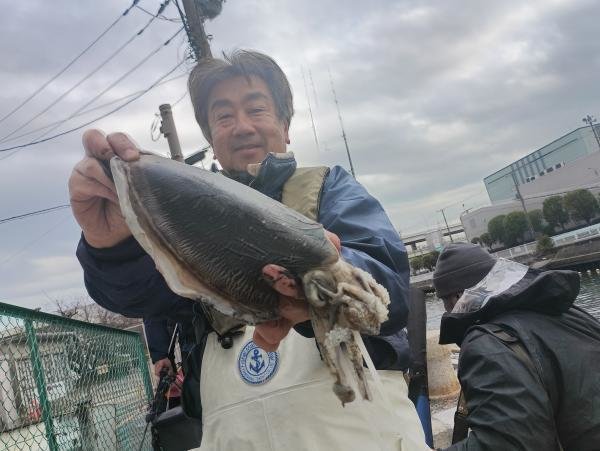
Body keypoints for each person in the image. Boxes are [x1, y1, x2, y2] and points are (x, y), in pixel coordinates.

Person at [69, 50, 429, 450]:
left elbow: (389, 291)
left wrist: (319, 281)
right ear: (211, 138)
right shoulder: (184, 219)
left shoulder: (330, 187)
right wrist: (109, 244)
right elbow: (136, 297)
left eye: (256, 109)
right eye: (223, 116)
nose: (241, 127)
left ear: (285, 126)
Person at [432, 242, 600, 450]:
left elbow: (507, 443)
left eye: (444, 300)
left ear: (457, 297)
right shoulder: (568, 311)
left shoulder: (486, 343)